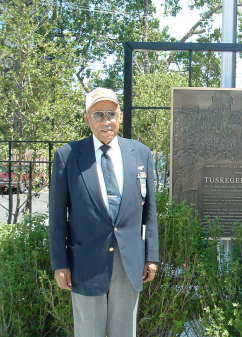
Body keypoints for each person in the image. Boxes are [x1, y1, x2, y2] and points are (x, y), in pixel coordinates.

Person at [49, 88, 159, 337]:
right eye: (98, 114)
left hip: (129, 259)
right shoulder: (68, 155)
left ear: (119, 116)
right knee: (89, 330)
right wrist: (60, 263)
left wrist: (151, 256)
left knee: (124, 331)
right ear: (87, 118)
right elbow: (57, 216)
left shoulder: (141, 153)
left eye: (111, 113)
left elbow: (150, 211)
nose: (106, 121)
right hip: (85, 261)